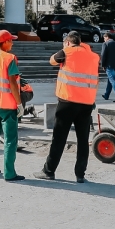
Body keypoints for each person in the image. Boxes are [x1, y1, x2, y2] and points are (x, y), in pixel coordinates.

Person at [37, 31, 100, 183]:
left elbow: (52, 60)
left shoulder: (66, 52)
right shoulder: (93, 56)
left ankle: (49, 170)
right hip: (86, 104)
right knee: (83, 140)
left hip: (67, 102)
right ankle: (80, 174)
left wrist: (66, 48)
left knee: (59, 138)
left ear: (67, 42)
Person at [0, 30, 26, 182]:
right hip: (8, 104)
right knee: (10, 139)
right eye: (11, 41)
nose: (13, 43)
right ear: (6, 42)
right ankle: (9, 173)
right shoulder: (10, 58)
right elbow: (13, 83)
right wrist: (19, 103)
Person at [101, 31, 115, 102]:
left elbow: (103, 55)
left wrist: (103, 65)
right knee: (110, 80)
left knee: (113, 80)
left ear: (107, 37)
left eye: (104, 38)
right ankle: (106, 95)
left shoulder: (106, 44)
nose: (104, 40)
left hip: (109, 65)